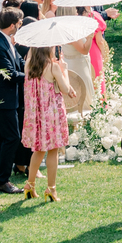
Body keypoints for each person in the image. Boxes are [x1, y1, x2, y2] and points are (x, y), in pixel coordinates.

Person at [23, 45, 76, 201]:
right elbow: (65, 88)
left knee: (38, 150)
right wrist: (64, 69)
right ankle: (51, 189)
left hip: (36, 114)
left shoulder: (28, 64)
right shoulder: (53, 67)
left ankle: (30, 185)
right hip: (52, 113)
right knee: (53, 150)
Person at [0, 7, 26, 194]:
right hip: (3, 99)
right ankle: (3, 180)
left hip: (7, 98)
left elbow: (19, 62)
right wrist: (32, 77)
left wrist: (33, 68)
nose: (20, 26)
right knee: (12, 137)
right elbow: (10, 74)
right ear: (12, 25)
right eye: (19, 23)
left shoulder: (5, 39)